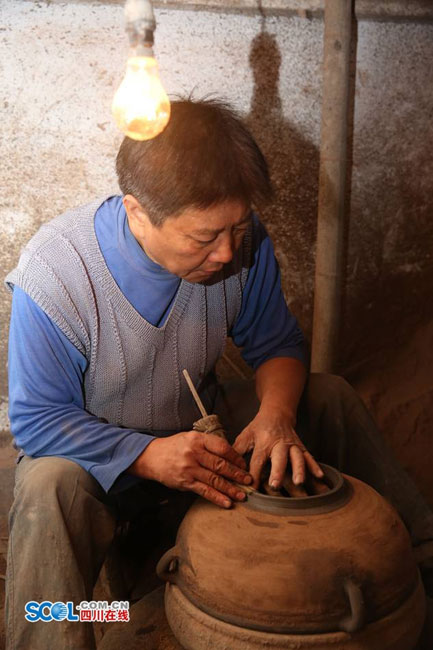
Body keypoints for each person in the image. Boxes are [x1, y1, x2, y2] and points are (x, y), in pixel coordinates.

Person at [4, 98, 433, 650]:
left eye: (237, 226)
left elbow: (277, 344)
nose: (228, 251)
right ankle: (63, 629)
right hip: (103, 457)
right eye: (204, 237)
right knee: (48, 484)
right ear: (137, 212)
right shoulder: (58, 274)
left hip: (203, 430)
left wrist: (277, 418)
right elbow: (39, 422)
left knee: (327, 396)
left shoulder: (242, 245)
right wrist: (150, 456)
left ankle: (420, 562)